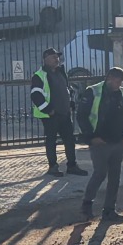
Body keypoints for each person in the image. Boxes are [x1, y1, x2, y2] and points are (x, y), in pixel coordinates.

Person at [80, 66, 123, 224]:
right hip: (100, 142)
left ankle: (109, 210)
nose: (119, 84)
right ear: (109, 78)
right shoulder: (93, 92)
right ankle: (86, 205)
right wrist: (91, 137)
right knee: (100, 173)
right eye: (117, 81)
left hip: (117, 142)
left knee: (115, 177)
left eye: (121, 82)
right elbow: (82, 116)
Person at [30, 48, 84, 177]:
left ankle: (72, 165)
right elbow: (35, 95)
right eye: (54, 57)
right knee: (51, 141)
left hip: (64, 113)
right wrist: (49, 110)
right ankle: (53, 167)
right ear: (46, 59)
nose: (57, 59)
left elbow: (67, 89)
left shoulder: (61, 72)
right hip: (50, 115)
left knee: (69, 140)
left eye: (57, 57)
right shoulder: (39, 76)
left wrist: (70, 102)